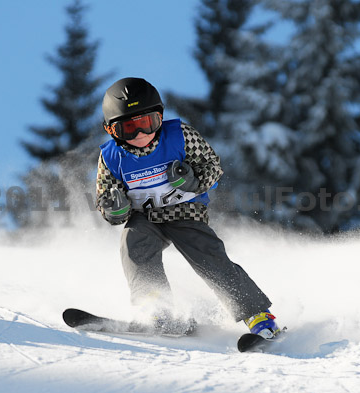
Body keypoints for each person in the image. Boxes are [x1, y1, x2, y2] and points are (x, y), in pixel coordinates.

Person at [96, 77, 280, 339]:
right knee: (134, 243)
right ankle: (156, 310)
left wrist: (193, 180)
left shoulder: (180, 136)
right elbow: (105, 198)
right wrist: (115, 210)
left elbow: (213, 168)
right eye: (129, 129)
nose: (141, 135)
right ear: (112, 131)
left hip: (185, 212)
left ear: (159, 117)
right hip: (144, 217)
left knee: (209, 257)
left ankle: (258, 316)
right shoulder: (111, 157)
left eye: (147, 123)